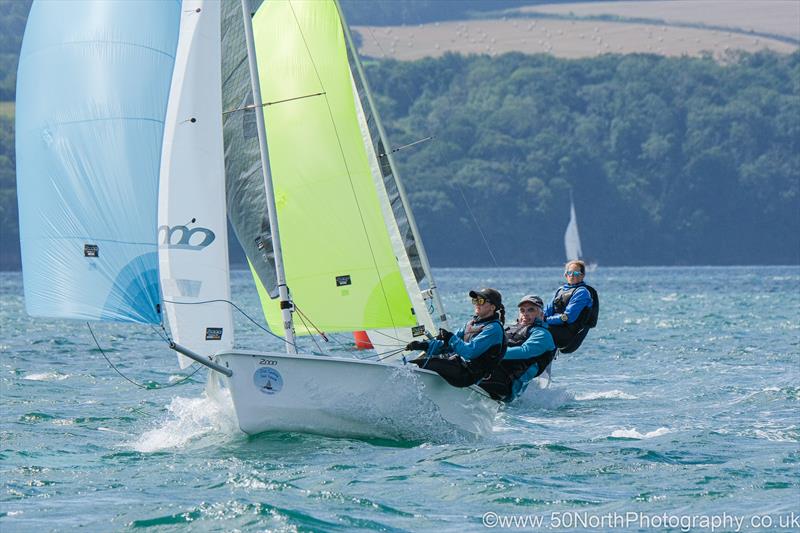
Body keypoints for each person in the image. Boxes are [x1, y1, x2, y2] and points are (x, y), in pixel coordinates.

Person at [406, 288, 506, 388]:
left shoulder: (494, 329)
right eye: (475, 301)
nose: (476, 304)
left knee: (421, 365)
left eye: (481, 301)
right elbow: (447, 345)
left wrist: (450, 337)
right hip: (460, 367)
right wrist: (424, 345)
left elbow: (470, 352)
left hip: (469, 376)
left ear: (492, 307)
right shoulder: (471, 324)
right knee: (415, 363)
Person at [479, 295, 556, 402]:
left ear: (541, 315)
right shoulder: (508, 329)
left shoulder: (542, 334)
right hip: (488, 373)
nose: (525, 313)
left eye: (531, 310)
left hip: (506, 384)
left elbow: (525, 351)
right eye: (522, 310)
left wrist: (492, 354)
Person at [544, 260, 599, 353]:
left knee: (539, 330)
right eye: (570, 273)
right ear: (566, 275)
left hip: (568, 333)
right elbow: (548, 310)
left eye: (576, 273)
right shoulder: (560, 290)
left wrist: (545, 321)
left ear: (582, 275)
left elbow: (567, 318)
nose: (572, 275)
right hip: (555, 327)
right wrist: (536, 318)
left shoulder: (582, 292)